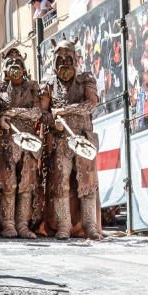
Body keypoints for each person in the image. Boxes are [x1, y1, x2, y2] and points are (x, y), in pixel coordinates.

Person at [42, 39, 103, 240]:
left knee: (87, 183)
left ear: (75, 59)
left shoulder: (86, 79)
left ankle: (90, 226)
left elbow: (91, 103)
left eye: (69, 58)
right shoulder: (49, 84)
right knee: (61, 183)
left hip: (83, 137)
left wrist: (63, 111)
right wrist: (53, 120)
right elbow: (42, 112)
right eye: (60, 59)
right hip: (61, 141)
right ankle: (63, 225)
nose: (65, 63)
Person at [0, 50, 42, 239]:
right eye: (10, 63)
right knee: (9, 184)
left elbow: (36, 113)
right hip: (7, 143)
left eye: (18, 63)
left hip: (28, 142)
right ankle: (8, 224)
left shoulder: (32, 88)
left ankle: (23, 224)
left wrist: (13, 113)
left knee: (27, 184)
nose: (14, 65)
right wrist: (1, 119)